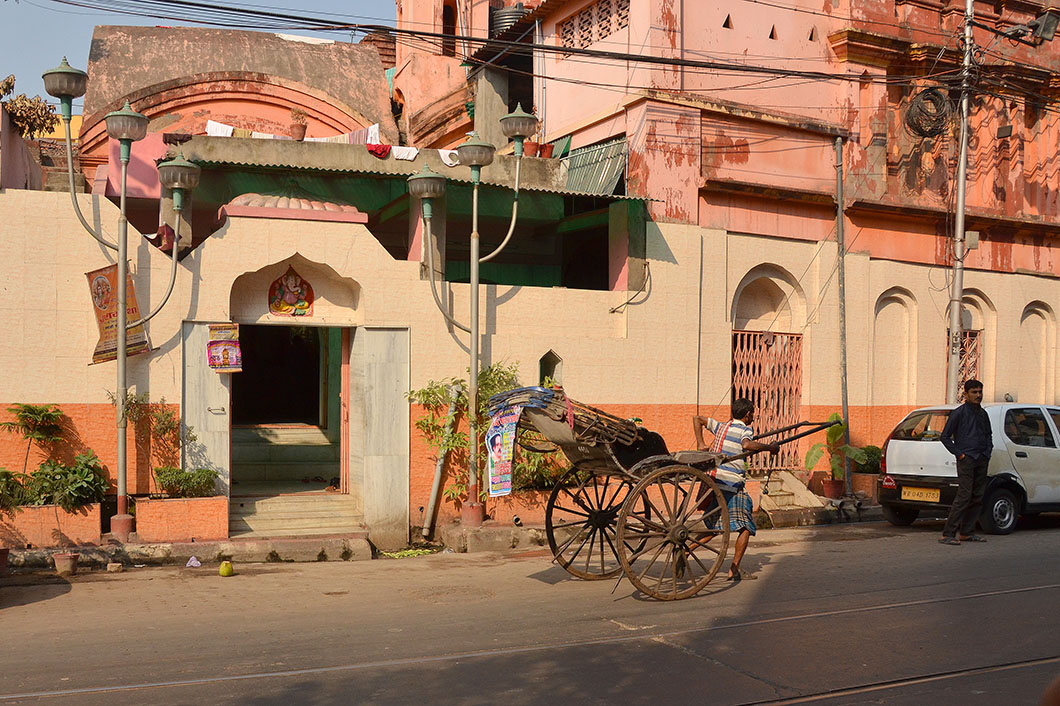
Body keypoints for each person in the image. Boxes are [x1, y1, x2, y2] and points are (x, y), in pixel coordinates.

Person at [692, 398, 779, 581]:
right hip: (731, 485)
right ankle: (734, 569)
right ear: (747, 415)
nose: (753, 417)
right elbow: (747, 444)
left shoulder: (722, 426)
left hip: (714, 481)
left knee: (714, 527)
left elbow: (697, 418)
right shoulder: (745, 430)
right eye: (753, 414)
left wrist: (701, 442)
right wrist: (769, 448)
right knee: (746, 527)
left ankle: (684, 552)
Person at [938, 378, 992, 545]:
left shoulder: (983, 414)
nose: (978, 395)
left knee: (977, 497)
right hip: (966, 459)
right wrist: (960, 455)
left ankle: (967, 532)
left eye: (980, 392)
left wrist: (987, 452)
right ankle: (948, 533)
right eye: (974, 392)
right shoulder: (959, 413)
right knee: (964, 496)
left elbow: (988, 435)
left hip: (981, 458)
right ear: (966, 394)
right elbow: (945, 437)